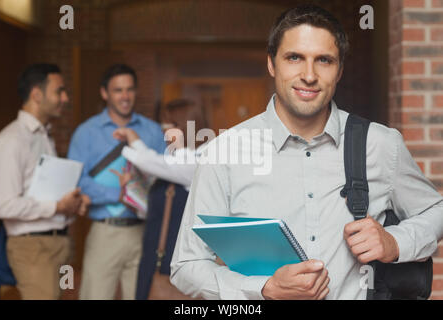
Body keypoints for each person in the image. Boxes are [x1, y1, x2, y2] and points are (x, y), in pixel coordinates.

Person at [170, 5, 443, 300]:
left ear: (339, 71)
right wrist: (264, 289)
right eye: (294, 58)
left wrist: (395, 242)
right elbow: (186, 266)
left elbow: (435, 211)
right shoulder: (224, 153)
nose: (309, 75)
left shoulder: (380, 144)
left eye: (324, 60)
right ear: (272, 64)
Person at [67, 64, 166, 300]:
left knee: (141, 296)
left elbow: (164, 176)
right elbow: (76, 179)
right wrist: (118, 195)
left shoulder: (152, 131)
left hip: (144, 231)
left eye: (130, 89)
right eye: (118, 90)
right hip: (105, 231)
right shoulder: (86, 132)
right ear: (105, 93)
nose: (125, 96)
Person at [0, 63, 90, 300]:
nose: (65, 98)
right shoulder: (11, 140)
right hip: (32, 249)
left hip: (56, 243)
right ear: (37, 94)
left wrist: (72, 203)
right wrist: (57, 207)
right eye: (59, 91)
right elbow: (4, 206)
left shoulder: (43, 136)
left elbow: (43, 192)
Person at [112, 98, 208, 299]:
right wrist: (129, 194)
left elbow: (153, 162)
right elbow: (156, 211)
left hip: (173, 265)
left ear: (187, 126)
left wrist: (132, 141)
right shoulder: (174, 163)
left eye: (171, 125)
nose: (165, 131)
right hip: (152, 258)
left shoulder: (199, 162)